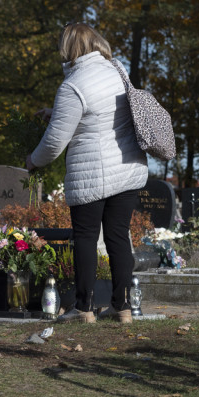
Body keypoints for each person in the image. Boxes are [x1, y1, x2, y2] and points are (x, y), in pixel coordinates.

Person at [26, 23, 148, 323]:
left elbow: (55, 141)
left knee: (85, 237)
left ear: (70, 48)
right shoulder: (116, 71)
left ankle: (83, 309)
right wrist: (55, 113)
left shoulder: (74, 85)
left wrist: (32, 160)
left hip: (92, 172)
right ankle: (122, 308)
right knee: (119, 236)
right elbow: (103, 113)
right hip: (127, 167)